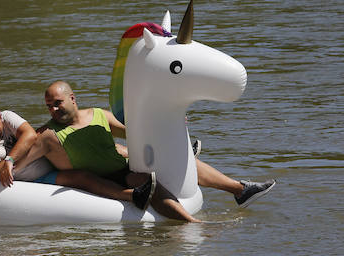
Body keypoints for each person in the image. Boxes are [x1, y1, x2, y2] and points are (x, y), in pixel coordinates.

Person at [19, 81, 276, 216]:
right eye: (49, 106)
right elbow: (24, 149)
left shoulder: (99, 115)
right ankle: (198, 219)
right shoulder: (48, 133)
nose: (53, 109)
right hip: (108, 178)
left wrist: (169, 126)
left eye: (58, 103)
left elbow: (134, 130)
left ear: (72, 99)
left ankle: (240, 190)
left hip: (123, 164)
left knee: (165, 157)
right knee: (146, 172)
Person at [0, 100, 159, 214]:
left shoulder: (8, 117)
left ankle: (154, 156)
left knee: (114, 148)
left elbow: (30, 134)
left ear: (0, 117)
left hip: (47, 156)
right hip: (38, 176)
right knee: (82, 177)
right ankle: (132, 195)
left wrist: (10, 160)